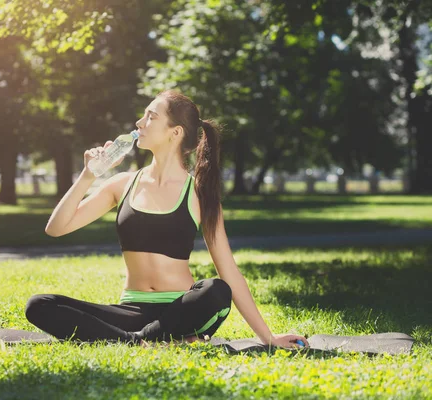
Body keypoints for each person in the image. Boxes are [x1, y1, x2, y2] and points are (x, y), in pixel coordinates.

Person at [26, 89, 309, 349]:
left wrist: (268, 338)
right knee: (40, 305)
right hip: (131, 311)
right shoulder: (122, 184)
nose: (139, 122)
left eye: (151, 117)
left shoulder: (199, 195)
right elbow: (56, 228)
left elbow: (229, 271)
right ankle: (142, 340)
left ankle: (133, 341)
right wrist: (89, 175)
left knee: (216, 290)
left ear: (175, 133)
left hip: (182, 310)